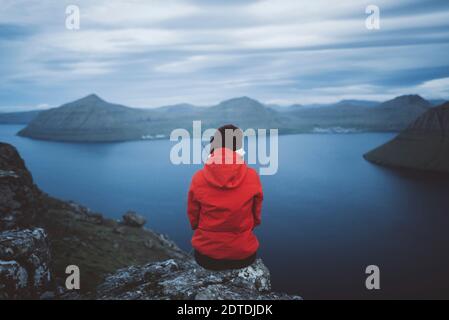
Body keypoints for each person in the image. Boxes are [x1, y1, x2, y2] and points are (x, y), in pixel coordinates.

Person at [187, 124, 263, 270]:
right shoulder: (252, 175)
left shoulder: (198, 178)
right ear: (239, 149)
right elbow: (256, 215)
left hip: (207, 257)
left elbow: (193, 216)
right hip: (243, 256)